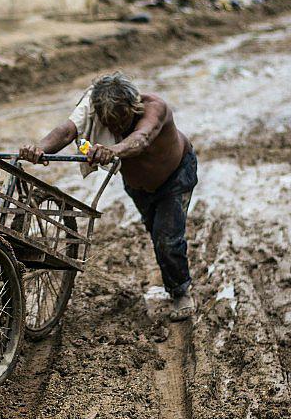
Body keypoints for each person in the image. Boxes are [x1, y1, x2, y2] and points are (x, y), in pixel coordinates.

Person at [19, 72, 198, 321]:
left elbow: (141, 139)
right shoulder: (92, 110)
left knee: (167, 239)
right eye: (109, 123)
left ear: (133, 106)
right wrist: (39, 148)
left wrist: (111, 150)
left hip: (176, 177)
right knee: (157, 232)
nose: (116, 128)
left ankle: (180, 292)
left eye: (121, 120)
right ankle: (172, 270)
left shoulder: (155, 108)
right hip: (138, 186)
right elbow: (67, 130)